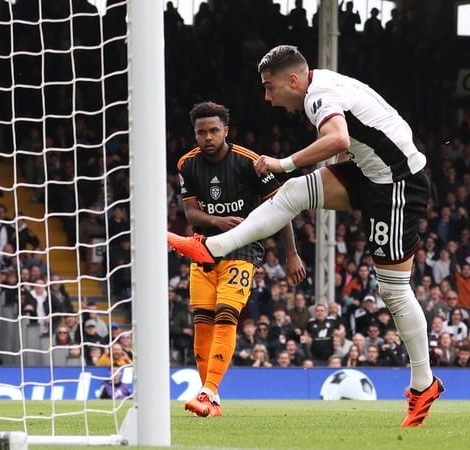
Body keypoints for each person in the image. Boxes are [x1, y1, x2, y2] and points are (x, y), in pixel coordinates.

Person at [168, 45, 442, 427]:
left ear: (292, 80)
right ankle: (211, 247)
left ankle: (423, 384)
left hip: (396, 185)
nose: (267, 97)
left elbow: (338, 140)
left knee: (394, 290)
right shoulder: (324, 82)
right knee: (294, 192)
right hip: (369, 172)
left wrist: (283, 162)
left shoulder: (320, 95)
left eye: (269, 87)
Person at [172, 101, 305, 418]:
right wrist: (217, 222)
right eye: (201, 132)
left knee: (226, 314)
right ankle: (210, 396)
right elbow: (190, 211)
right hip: (203, 247)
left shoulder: (249, 163)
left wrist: (291, 253)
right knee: (202, 322)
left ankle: (207, 392)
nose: (207, 137)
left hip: (244, 248)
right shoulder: (187, 165)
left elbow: (281, 209)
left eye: (214, 131)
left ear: (225, 131)